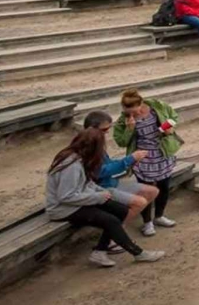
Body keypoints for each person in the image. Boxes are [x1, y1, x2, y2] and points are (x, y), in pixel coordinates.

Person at [45, 123, 164, 267]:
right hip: (64, 208)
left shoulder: (80, 158)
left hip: (81, 199)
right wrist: (98, 197)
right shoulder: (72, 165)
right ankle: (138, 253)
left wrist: (100, 192)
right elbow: (66, 196)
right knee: (110, 220)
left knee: (121, 211)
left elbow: (87, 183)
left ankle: (99, 252)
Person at [111, 90, 182, 236]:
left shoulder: (157, 107)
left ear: (141, 104)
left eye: (135, 110)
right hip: (142, 157)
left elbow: (174, 116)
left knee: (164, 186)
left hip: (162, 153)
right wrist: (129, 129)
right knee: (146, 191)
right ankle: (147, 223)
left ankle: (159, 216)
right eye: (128, 111)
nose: (133, 114)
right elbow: (121, 142)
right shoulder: (123, 120)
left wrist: (168, 128)